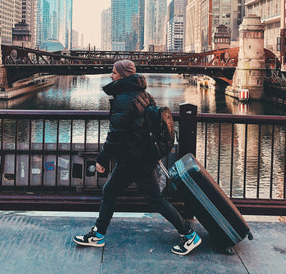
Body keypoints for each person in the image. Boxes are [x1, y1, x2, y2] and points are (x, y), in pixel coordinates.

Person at [73, 59, 202, 256]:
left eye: (114, 73)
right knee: (112, 192)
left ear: (123, 76)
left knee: (153, 200)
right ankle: (99, 234)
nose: (111, 75)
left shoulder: (124, 99)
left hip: (135, 159)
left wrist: (101, 158)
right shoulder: (144, 95)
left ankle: (189, 234)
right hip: (137, 157)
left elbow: (115, 133)